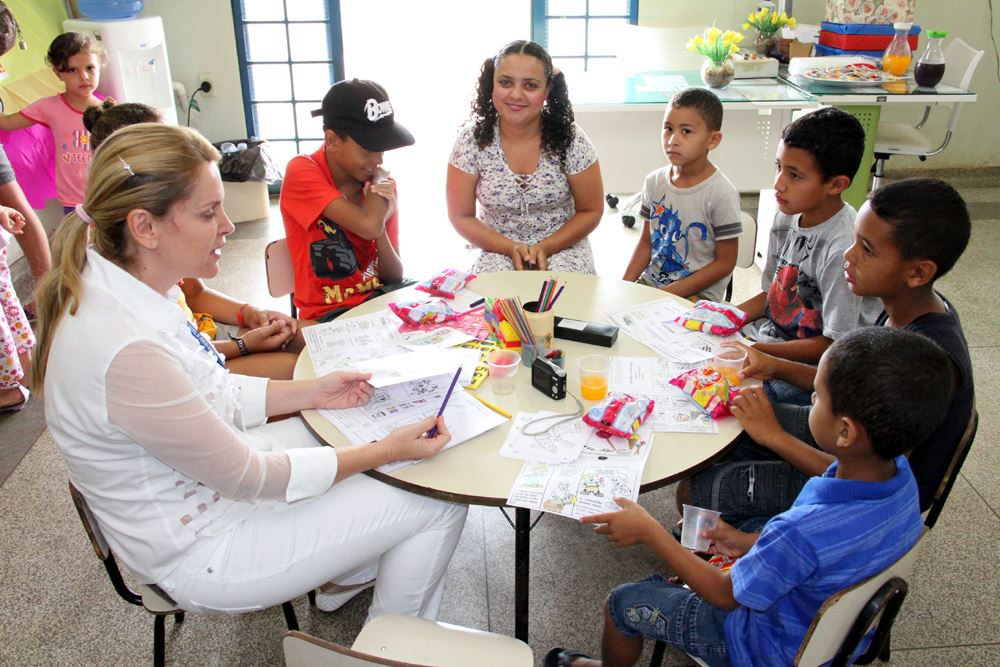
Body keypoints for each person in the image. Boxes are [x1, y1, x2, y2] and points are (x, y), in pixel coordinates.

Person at [32, 124, 467, 619]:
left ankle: (345, 574)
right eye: (208, 212)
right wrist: (381, 452)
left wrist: (316, 393)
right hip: (206, 550)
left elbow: (212, 392)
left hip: (211, 489)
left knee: (360, 433)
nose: (228, 226)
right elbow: (248, 476)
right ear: (144, 227)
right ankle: (393, 648)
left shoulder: (140, 282)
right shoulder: (124, 346)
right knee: (434, 498)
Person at [547, 327, 952, 667]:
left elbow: (725, 594)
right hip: (831, 630)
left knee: (622, 602)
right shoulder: (899, 476)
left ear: (844, 432)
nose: (811, 398)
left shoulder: (800, 534)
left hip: (762, 647)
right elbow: (804, 550)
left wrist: (650, 532)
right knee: (723, 528)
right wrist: (742, 543)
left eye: (817, 396)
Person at [679, 178, 974, 529]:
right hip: (848, 437)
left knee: (693, 492)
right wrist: (772, 364)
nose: (848, 256)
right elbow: (848, 384)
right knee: (725, 423)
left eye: (867, 249)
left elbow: (870, 484)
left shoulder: (927, 362)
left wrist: (775, 436)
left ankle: (746, 547)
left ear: (919, 272)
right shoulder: (903, 308)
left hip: (863, 497)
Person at [84, 101, 302, 380]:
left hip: (204, 337)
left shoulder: (160, 250)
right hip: (198, 354)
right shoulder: (121, 284)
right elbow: (182, 356)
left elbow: (195, 294)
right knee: (295, 370)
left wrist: (249, 313)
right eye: (208, 212)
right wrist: (244, 346)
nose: (228, 226)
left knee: (306, 338)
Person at [737, 108, 880, 367]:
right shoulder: (787, 214)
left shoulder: (842, 249)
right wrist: (727, 317)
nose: (778, 184)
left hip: (812, 366)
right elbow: (772, 295)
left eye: (794, 175)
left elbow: (837, 345)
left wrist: (757, 350)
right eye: (778, 167)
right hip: (770, 339)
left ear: (836, 185)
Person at [447, 40, 604, 273]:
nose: (516, 94)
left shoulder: (571, 139)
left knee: (565, 295)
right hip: (495, 247)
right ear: (492, 84)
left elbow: (591, 209)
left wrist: (546, 247)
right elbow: (461, 215)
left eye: (530, 85)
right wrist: (511, 248)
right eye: (505, 82)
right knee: (493, 299)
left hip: (562, 246)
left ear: (547, 89)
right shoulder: (471, 140)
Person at [280, 79, 411, 322]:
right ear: (331, 141)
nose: (378, 160)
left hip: (379, 301)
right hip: (329, 315)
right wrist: (378, 213)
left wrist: (381, 224)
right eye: (367, 149)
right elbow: (368, 225)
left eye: (382, 149)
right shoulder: (302, 170)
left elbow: (395, 276)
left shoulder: (378, 189)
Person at [621, 88, 742, 302]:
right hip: (653, 285)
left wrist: (668, 294)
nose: (673, 140)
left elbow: (725, 263)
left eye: (686, 131)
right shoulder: (654, 182)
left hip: (698, 295)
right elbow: (646, 243)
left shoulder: (722, 193)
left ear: (713, 140)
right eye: (668, 129)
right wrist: (624, 287)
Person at [0, 32, 106, 209]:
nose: (84, 76)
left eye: (90, 68)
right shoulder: (48, 107)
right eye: (73, 70)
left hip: (108, 197)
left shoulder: (110, 111)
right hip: (73, 202)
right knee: (78, 238)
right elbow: (7, 122)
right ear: (58, 73)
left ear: (99, 67)